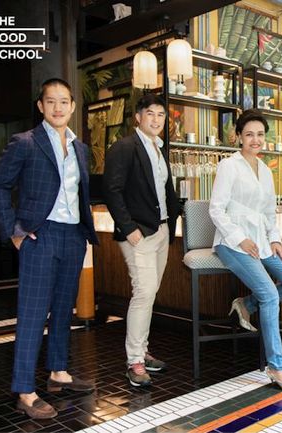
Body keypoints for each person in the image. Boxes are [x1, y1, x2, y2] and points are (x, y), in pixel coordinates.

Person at [0, 78, 98, 419]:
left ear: (73, 106)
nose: (58, 107)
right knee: (33, 314)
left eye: (64, 101)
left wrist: (83, 232)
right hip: (40, 235)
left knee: (64, 309)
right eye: (51, 101)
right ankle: (25, 390)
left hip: (72, 236)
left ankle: (58, 372)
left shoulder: (80, 148)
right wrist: (15, 232)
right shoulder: (25, 142)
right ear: (41, 106)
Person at [209, 109, 282, 391]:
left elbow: (268, 212)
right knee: (270, 294)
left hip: (261, 243)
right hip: (232, 244)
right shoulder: (229, 166)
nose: (255, 140)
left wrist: (275, 240)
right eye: (249, 134)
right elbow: (216, 209)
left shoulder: (265, 169)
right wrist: (240, 239)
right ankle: (276, 367)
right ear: (239, 136)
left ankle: (246, 305)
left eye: (260, 134)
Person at [103, 94, 180, 387]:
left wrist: (173, 220)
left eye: (161, 114)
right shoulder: (124, 147)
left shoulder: (159, 148)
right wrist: (128, 228)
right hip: (139, 233)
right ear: (138, 117)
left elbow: (164, 191)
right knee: (144, 292)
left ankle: (142, 351)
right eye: (150, 113)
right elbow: (112, 190)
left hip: (160, 230)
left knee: (150, 293)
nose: (156, 119)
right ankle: (134, 361)